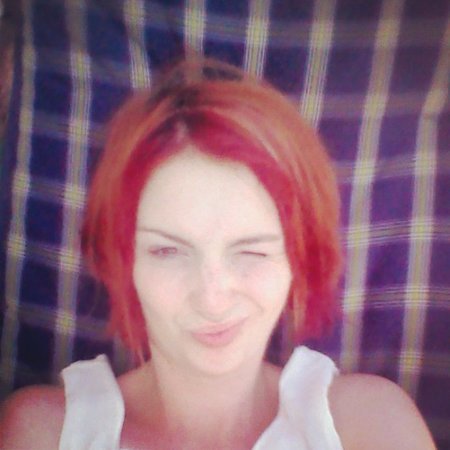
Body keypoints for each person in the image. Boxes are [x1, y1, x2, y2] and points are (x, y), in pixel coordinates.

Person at [0, 59, 435, 449]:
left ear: (298, 259)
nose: (212, 298)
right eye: (168, 250)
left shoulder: (370, 424)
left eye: (252, 252)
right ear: (123, 260)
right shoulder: (44, 432)